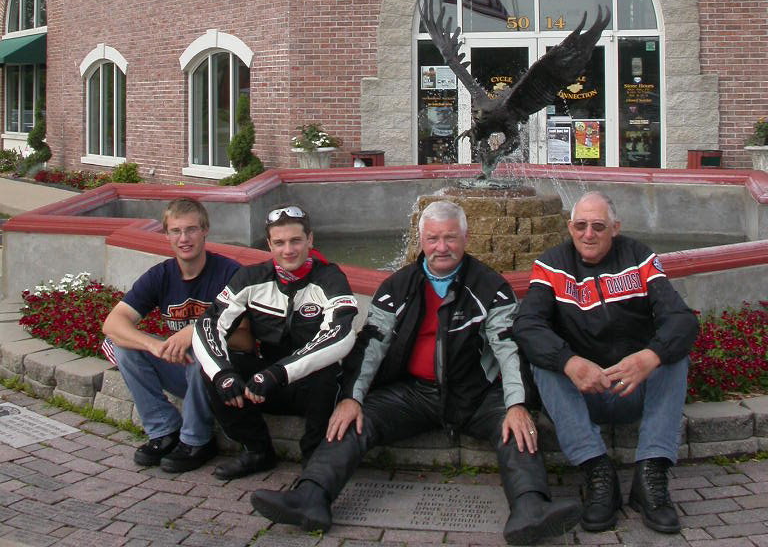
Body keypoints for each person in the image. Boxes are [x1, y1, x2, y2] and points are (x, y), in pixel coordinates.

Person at [249, 199, 581, 546]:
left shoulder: (490, 286)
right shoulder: (398, 286)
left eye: (450, 238)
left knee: (517, 428)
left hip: (477, 395)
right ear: (421, 240)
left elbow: (508, 348)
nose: (442, 247)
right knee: (353, 419)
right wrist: (352, 397)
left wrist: (517, 403)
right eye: (433, 238)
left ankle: (530, 508)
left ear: (465, 238)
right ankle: (310, 497)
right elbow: (371, 344)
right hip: (413, 393)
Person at [513, 191, 699, 535]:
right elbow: (527, 325)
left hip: (632, 387)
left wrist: (650, 356)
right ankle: (598, 472)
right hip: (582, 392)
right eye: (580, 225)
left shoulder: (639, 257)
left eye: (598, 226)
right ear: (569, 227)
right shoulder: (551, 264)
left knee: (673, 356)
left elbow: (682, 319)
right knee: (545, 362)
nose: (588, 234)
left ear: (615, 228)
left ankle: (651, 475)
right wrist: (569, 362)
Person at [192, 204, 358, 480]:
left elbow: (342, 334)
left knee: (325, 374)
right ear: (269, 245)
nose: (288, 250)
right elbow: (208, 324)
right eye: (279, 243)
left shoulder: (330, 278)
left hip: (312, 386)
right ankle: (257, 451)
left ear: (310, 240)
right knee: (213, 372)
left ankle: (314, 463)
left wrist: (278, 373)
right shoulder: (251, 278)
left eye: (295, 241)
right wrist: (222, 374)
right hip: (265, 384)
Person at [102, 197, 240, 472]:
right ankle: (164, 430)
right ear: (166, 234)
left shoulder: (230, 273)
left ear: (205, 230)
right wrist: (152, 345)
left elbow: (246, 336)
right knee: (122, 345)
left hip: (223, 377)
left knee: (202, 353)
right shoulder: (161, 275)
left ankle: (197, 441)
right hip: (183, 369)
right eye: (176, 231)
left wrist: (196, 333)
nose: (184, 238)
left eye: (191, 230)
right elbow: (113, 323)